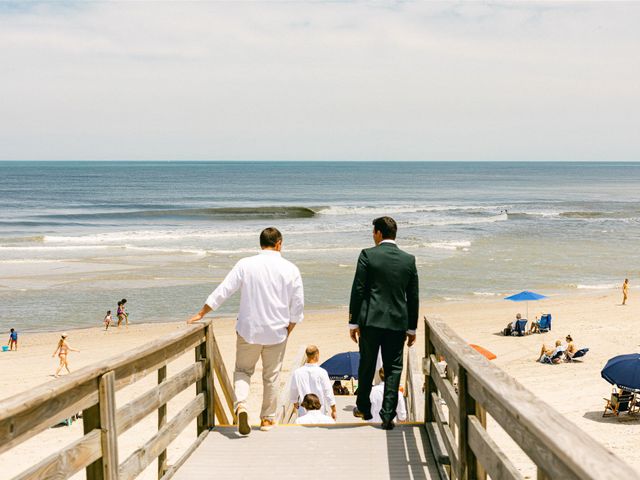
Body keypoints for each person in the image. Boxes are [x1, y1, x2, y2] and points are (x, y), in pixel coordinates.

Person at [187, 227, 304, 435]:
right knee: (272, 376)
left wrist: (201, 312)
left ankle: (241, 405)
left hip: (249, 330)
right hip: (277, 331)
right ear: (279, 244)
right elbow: (298, 305)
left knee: (243, 371)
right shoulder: (291, 268)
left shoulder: (246, 264)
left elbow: (224, 290)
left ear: (260, 244)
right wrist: (290, 327)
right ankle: (267, 419)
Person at [349, 216, 419, 430]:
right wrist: (412, 328)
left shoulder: (368, 255)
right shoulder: (409, 260)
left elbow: (358, 289)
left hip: (370, 321)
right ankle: (388, 414)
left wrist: (353, 323)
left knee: (367, 364)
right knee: (394, 368)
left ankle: (364, 407)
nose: (373, 236)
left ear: (379, 233)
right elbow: (413, 296)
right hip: (397, 323)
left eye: (373, 232)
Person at [289, 345, 337, 420]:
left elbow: (293, 390)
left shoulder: (297, 372)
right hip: (320, 410)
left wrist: (295, 404)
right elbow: (328, 392)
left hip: (304, 410)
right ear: (317, 355)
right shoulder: (322, 372)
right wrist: (333, 409)